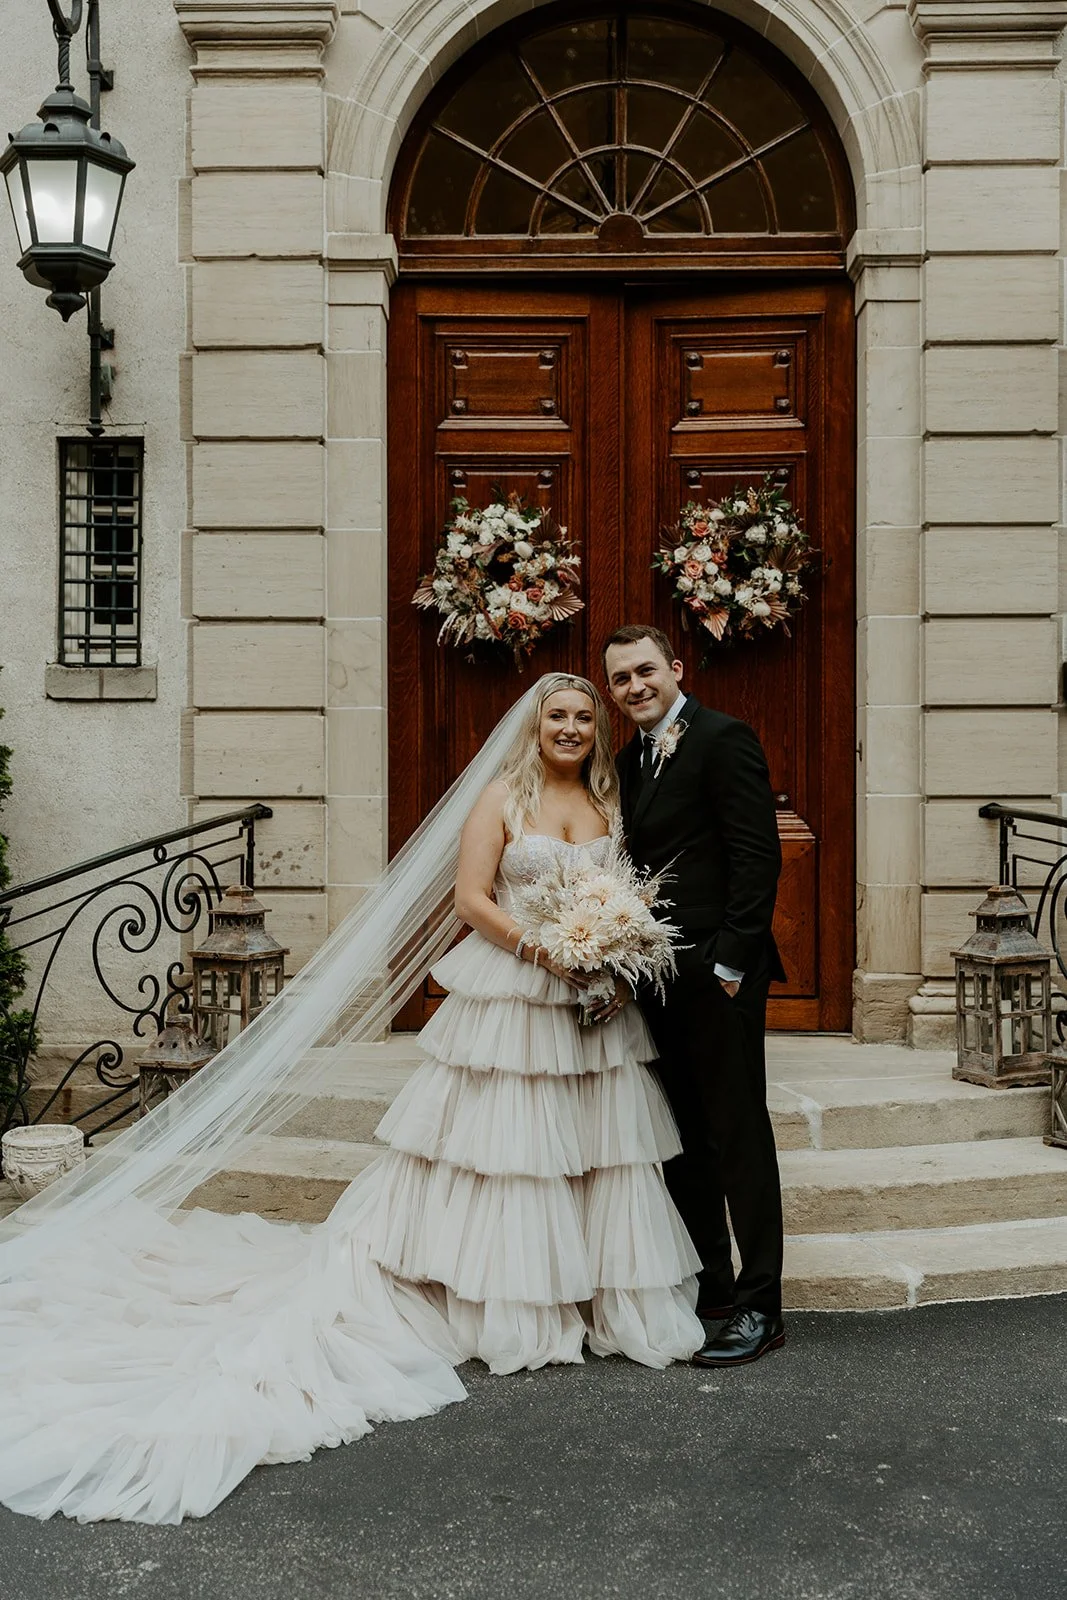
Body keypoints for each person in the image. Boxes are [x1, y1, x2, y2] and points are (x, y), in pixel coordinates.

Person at [0, 674, 701, 1525]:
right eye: (557, 715)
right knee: (506, 1152)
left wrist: (609, 950)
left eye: (583, 717)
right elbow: (472, 900)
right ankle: (507, 1303)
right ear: (533, 725)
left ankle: (588, 1294)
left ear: (597, 731)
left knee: (588, 1146)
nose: (570, 727)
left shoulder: (607, 800)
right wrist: (545, 949)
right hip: (517, 993)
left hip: (592, 1001)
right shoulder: (499, 795)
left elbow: (616, 895)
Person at [604, 625, 786, 1368]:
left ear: (674, 669)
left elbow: (756, 854)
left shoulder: (722, 737)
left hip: (718, 975)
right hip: (658, 978)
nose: (634, 686)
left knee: (739, 1137)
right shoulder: (625, 760)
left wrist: (731, 965)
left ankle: (760, 1307)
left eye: (644, 670)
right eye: (619, 679)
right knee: (684, 1138)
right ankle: (711, 1285)